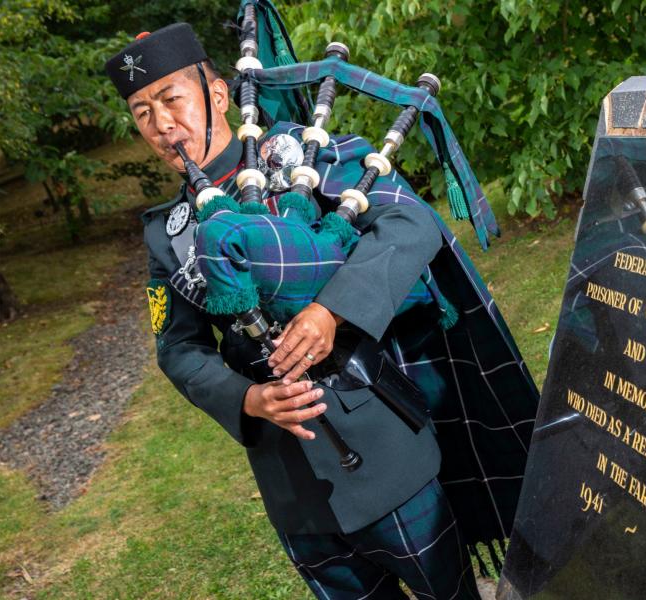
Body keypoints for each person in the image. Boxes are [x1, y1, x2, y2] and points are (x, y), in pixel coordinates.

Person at [106, 23, 538, 599]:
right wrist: (247, 399)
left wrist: (331, 310)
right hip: (293, 491)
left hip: (389, 461)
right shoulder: (168, 234)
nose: (161, 125)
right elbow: (179, 349)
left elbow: (410, 224)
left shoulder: (302, 153)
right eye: (141, 112)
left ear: (215, 95)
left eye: (171, 100)